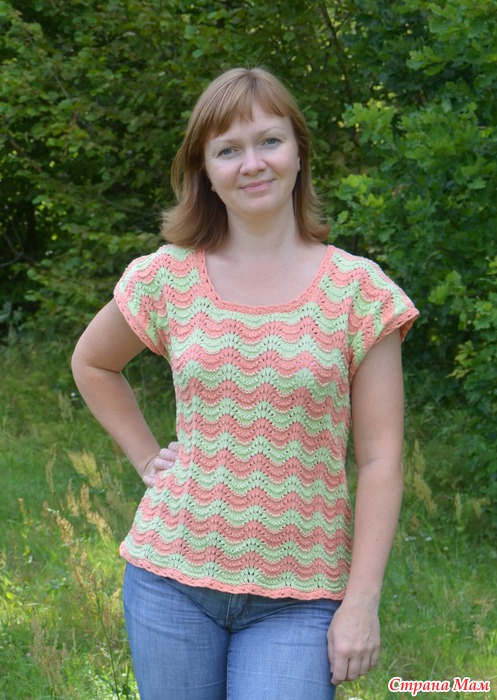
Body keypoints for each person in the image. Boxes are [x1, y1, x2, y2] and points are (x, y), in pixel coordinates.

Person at [71, 67, 419, 700]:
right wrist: (147, 458)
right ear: (205, 172)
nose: (252, 164)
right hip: (170, 579)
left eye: (269, 141)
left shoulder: (359, 294)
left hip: (302, 597)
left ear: (299, 153)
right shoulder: (167, 278)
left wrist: (361, 601)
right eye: (228, 150)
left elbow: (380, 459)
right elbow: (93, 364)